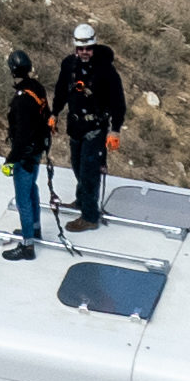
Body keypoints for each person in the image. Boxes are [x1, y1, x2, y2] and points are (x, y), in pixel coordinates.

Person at [51, 24, 127, 230]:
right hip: (76, 126)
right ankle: (83, 200)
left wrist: (115, 129)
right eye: (81, 49)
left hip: (95, 127)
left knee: (89, 171)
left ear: (94, 47)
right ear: (76, 48)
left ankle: (90, 217)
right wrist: (54, 113)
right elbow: (61, 91)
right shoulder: (69, 65)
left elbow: (118, 102)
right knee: (77, 166)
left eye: (88, 49)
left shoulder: (106, 71)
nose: (84, 52)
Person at [0, 52, 55, 258]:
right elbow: (45, 118)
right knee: (32, 190)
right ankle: (35, 229)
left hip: (25, 154)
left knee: (23, 198)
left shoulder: (22, 100)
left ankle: (28, 246)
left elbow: (21, 136)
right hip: (37, 150)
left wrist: (10, 161)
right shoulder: (36, 88)